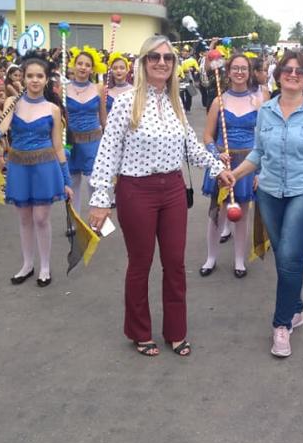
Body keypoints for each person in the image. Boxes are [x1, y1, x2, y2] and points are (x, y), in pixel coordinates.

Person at [88, 36, 231, 358]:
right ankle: (139, 331)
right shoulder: (126, 102)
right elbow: (108, 151)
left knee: (175, 264)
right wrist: (100, 198)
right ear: (143, 62)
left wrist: (215, 166)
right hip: (136, 189)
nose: (162, 62)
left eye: (168, 57)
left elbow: (191, 147)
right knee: (140, 264)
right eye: (154, 57)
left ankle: (176, 331)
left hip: (173, 191)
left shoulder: (175, 101)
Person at [230, 50, 303, 358]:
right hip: (269, 192)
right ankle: (295, 307)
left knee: (291, 257)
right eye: (288, 69)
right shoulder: (266, 111)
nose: (293, 74)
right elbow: (258, 153)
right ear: (278, 73)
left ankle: (281, 326)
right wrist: (235, 173)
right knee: (285, 256)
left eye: (300, 71)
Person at [0, 59, 73, 286]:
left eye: (39, 76)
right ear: (23, 78)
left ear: (46, 80)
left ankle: (45, 266)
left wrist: (66, 181)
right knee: (25, 218)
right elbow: (2, 127)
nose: (34, 80)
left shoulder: (53, 109)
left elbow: (58, 146)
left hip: (45, 167)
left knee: (41, 218)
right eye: (30, 76)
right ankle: (27, 264)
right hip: (18, 166)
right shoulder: (12, 101)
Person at [199, 53, 264, 279]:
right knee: (217, 211)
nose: (239, 72)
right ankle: (211, 258)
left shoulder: (258, 101)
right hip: (223, 164)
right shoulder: (219, 101)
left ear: (250, 72)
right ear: (228, 72)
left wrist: (260, 171)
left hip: (248, 164)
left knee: (242, 213)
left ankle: (239, 260)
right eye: (235, 68)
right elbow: (207, 135)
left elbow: (263, 139)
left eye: (243, 68)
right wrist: (217, 153)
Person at [67, 51, 106, 215]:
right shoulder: (64, 89)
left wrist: (111, 142)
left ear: (92, 69)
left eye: (87, 65)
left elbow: (104, 118)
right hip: (71, 142)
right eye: (80, 63)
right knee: (73, 182)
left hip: (93, 141)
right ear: (74, 65)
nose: (83, 67)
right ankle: (74, 221)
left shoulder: (99, 88)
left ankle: (97, 219)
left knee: (93, 182)